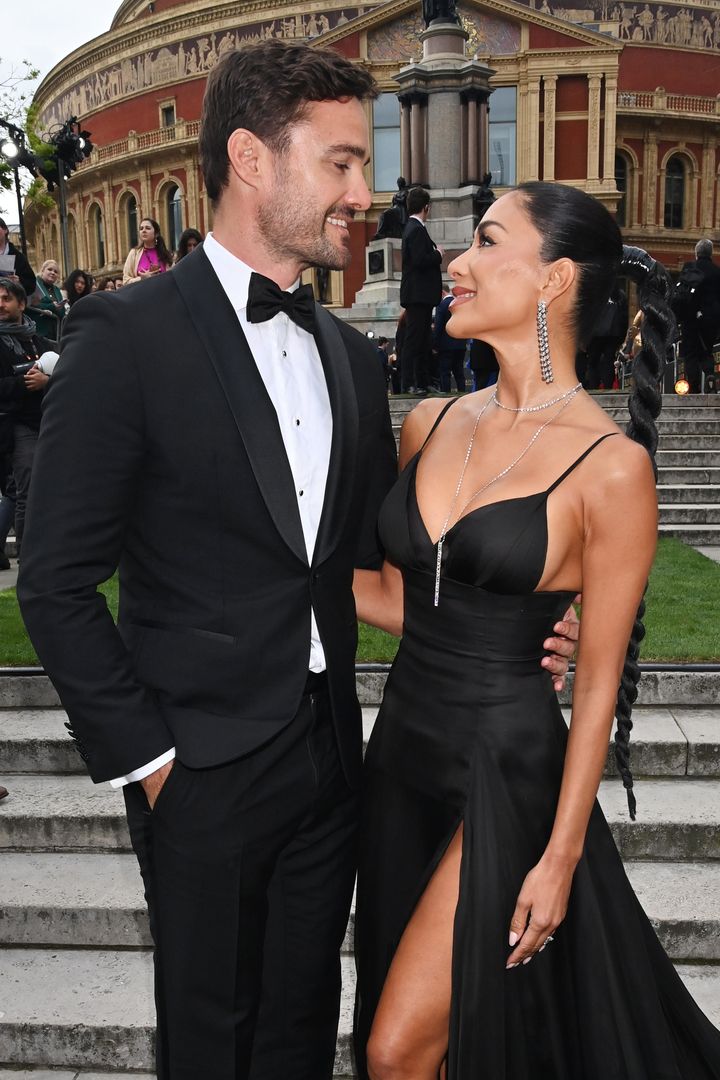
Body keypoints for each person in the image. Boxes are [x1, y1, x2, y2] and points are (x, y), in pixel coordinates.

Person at [17, 44, 575, 1079]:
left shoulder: (351, 364)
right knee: (212, 1048)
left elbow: (368, 568)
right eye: (341, 164)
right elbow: (53, 580)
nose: (365, 195)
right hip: (198, 771)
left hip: (331, 766)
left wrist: (514, 625)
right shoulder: (125, 334)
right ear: (252, 159)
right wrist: (153, 763)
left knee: (299, 1035)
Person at [352, 182, 720, 1078]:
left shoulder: (612, 469)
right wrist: (270, 570)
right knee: (428, 1045)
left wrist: (559, 859)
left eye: (484, 241)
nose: (456, 262)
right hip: (397, 759)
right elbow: (405, 604)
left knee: (395, 1050)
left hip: (504, 778)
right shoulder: (430, 423)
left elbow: (595, 684)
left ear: (554, 278)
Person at [0, 280, 55, 558]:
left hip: (49, 423)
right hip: (18, 426)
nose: (0, 304)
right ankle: (27, 554)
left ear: (21, 304)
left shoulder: (38, 340)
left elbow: (68, 369)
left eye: (6, 299)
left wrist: (48, 380)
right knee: (28, 489)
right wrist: (24, 383)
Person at [400, 187, 443, 395]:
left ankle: (423, 382)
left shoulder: (414, 228)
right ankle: (409, 383)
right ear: (426, 207)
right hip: (418, 295)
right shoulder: (415, 229)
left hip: (420, 295)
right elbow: (419, 261)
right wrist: (438, 255)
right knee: (414, 340)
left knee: (423, 340)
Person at [673, 238, 720, 393]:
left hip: (690, 318)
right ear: (711, 253)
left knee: (691, 354)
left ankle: (693, 387)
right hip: (711, 319)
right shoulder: (717, 272)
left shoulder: (689, 268)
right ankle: (710, 375)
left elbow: (680, 294)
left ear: (696, 253)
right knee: (706, 351)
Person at [434, 288, 466, 393]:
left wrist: (435, 345)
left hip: (446, 345)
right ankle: (462, 393)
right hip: (460, 344)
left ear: (442, 292)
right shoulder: (460, 304)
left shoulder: (441, 305)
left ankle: (446, 395)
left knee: (445, 372)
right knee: (459, 372)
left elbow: (438, 327)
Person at [123, 217, 173, 283]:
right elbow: (125, 281)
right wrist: (141, 279)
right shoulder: (134, 253)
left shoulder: (166, 254)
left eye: (148, 228)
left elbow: (172, 279)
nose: (144, 230)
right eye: (141, 229)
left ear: (156, 233)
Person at [0, 217, 36, 298]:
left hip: (10, 302)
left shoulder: (19, 257)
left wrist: (19, 282)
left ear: (5, 230)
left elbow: (31, 284)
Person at [33, 260, 66, 340]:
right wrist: (52, 306)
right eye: (50, 269)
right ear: (42, 270)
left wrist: (59, 307)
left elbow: (62, 311)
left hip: (54, 333)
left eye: (56, 271)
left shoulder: (57, 290)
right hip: (38, 331)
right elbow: (32, 304)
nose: (53, 273)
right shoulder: (35, 284)